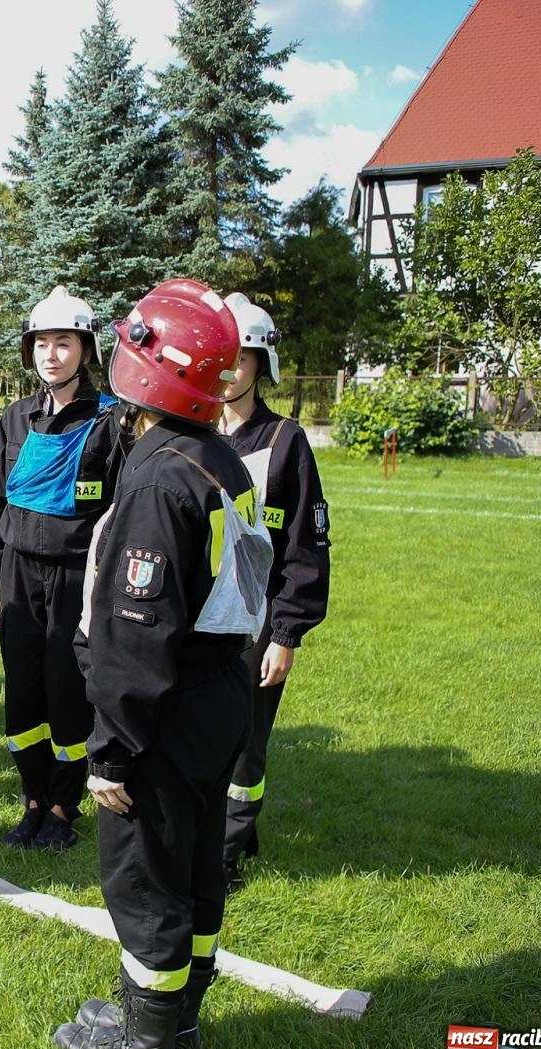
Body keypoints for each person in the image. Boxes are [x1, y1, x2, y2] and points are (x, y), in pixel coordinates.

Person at [53, 278, 271, 1049]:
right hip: (219, 693)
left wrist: (113, 748)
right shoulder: (218, 457)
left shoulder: (157, 478)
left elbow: (135, 639)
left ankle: (147, 1044)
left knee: (145, 880)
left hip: (168, 707)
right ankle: (176, 1020)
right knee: (194, 865)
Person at [0, 285, 123, 851]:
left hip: (77, 576)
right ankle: (32, 798)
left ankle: (64, 806)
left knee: (68, 692)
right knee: (23, 693)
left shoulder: (112, 421)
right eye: (41, 343)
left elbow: (120, 511)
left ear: (85, 351)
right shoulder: (16, 418)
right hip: (17, 572)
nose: (51, 354)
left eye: (63, 343)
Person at [217, 293, 331, 889]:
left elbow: (304, 551)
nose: (227, 370)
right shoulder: (190, 431)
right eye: (218, 356)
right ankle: (216, 829)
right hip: (200, 615)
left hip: (256, 619)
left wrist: (285, 633)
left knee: (246, 739)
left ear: (262, 365)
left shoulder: (286, 441)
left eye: (239, 358)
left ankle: (229, 849)